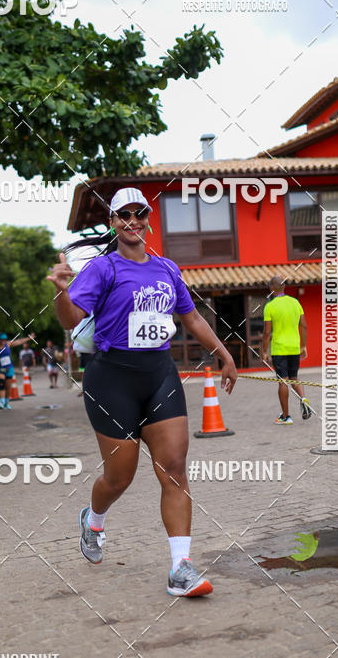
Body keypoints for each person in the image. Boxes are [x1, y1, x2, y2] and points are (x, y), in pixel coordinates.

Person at [47, 187, 238, 597]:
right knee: (120, 477)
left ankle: (181, 568)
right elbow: (71, 318)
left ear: (149, 219)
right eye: (124, 215)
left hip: (159, 375)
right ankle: (93, 520)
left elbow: (191, 317)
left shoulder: (167, 268)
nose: (133, 221)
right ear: (113, 222)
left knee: (174, 468)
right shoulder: (102, 269)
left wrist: (223, 353)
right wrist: (62, 290)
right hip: (111, 380)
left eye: (140, 213)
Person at [262, 276, 311, 425]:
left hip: (279, 349)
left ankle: (285, 416)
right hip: (294, 347)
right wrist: (303, 346)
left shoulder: (270, 306)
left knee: (283, 381)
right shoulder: (295, 302)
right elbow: (304, 325)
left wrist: (264, 351)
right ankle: (303, 399)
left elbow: (267, 332)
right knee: (294, 377)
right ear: (284, 287)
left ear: (272, 288)